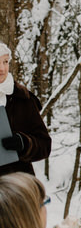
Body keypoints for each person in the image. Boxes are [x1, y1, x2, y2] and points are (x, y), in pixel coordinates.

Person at [0, 42, 51, 176]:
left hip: (16, 184)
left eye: (5, 62)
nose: (2, 69)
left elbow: (45, 146)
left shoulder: (22, 98)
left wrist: (23, 143)